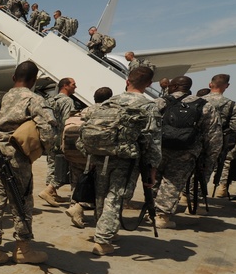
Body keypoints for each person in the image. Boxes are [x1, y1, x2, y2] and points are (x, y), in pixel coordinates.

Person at [0, 61, 57, 266]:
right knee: (21, 201)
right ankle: (23, 249)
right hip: (17, 157)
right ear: (33, 81)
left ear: (14, 78)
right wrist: (44, 149)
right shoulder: (34, 99)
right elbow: (49, 131)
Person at [89, 66, 162, 255]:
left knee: (101, 194)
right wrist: (153, 169)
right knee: (116, 196)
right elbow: (153, 139)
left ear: (127, 81)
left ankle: (105, 230)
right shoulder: (149, 106)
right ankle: (103, 240)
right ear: (149, 84)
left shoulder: (110, 101)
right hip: (126, 159)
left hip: (100, 154)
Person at [152, 76, 221, 228]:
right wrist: (210, 158)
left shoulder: (161, 102)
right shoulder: (204, 105)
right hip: (186, 151)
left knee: (154, 179)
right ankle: (162, 217)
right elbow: (214, 135)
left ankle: (149, 211)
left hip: (159, 149)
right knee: (173, 182)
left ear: (174, 86)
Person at [65, 87, 113, 228]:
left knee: (77, 182)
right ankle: (87, 212)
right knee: (97, 187)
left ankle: (75, 208)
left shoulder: (84, 111)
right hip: (95, 155)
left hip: (76, 152)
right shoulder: (106, 113)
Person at [40, 77, 77, 207]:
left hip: (49, 136)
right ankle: (49, 190)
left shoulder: (51, 100)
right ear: (65, 86)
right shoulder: (67, 101)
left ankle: (51, 192)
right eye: (73, 84)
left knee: (52, 163)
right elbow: (67, 121)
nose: (75, 87)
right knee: (62, 165)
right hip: (60, 137)